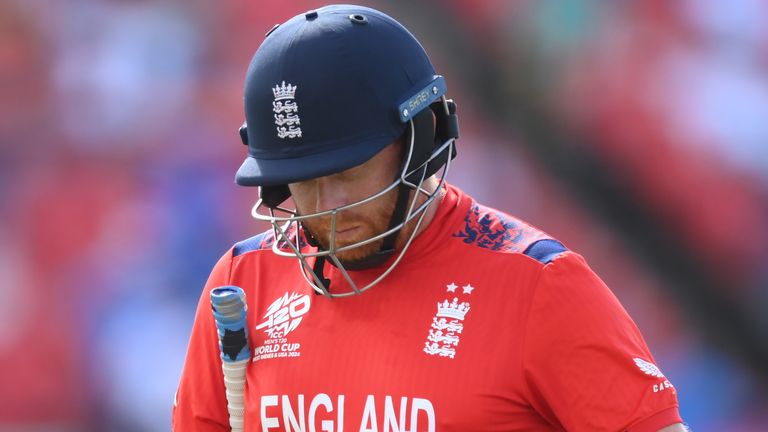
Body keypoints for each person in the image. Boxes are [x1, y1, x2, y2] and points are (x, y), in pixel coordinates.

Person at [173, 5, 686, 431]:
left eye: (349, 171)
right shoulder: (243, 284)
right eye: (303, 180)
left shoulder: (539, 287)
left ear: (420, 140)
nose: (327, 205)